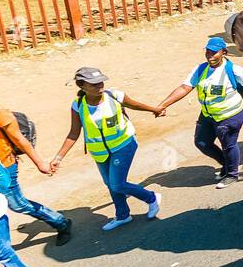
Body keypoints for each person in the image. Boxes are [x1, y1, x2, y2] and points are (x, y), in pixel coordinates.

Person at [154, 36, 243, 189]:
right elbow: (184, 88)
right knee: (201, 143)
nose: (210, 56)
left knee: (228, 144)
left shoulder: (233, 70)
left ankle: (232, 174)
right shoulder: (200, 70)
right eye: (207, 52)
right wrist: (162, 105)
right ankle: (226, 164)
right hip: (208, 115)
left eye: (214, 53)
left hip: (230, 116)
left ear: (224, 52)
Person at [50, 67, 161, 232]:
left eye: (101, 81)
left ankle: (151, 197)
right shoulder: (78, 105)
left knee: (117, 184)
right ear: (82, 86)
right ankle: (123, 215)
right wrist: (58, 158)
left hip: (124, 145)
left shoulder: (114, 95)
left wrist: (155, 109)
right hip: (100, 153)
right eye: (93, 84)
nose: (99, 85)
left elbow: (136, 105)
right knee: (110, 183)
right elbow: (74, 133)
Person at [0, 78, 71, 244]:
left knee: (17, 204)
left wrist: (40, 164)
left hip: (4, 167)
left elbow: (19, 139)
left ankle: (61, 222)